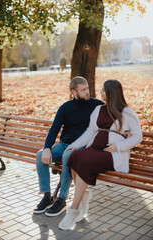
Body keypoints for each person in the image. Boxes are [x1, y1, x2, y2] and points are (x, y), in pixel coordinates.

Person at [59, 79, 142, 230]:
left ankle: (73, 210)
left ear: (111, 93)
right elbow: (90, 132)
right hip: (94, 149)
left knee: (84, 162)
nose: (101, 92)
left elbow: (138, 136)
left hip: (111, 154)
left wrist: (118, 146)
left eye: (103, 90)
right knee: (75, 156)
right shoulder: (98, 109)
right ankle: (82, 196)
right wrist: (75, 145)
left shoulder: (127, 112)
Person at [34, 76, 104, 216]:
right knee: (40, 155)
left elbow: (116, 113)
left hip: (82, 147)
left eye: (87, 88)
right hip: (65, 144)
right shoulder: (65, 107)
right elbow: (54, 129)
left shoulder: (96, 104)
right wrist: (47, 148)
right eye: (83, 89)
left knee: (68, 155)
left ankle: (62, 199)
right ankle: (47, 196)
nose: (87, 92)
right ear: (74, 92)